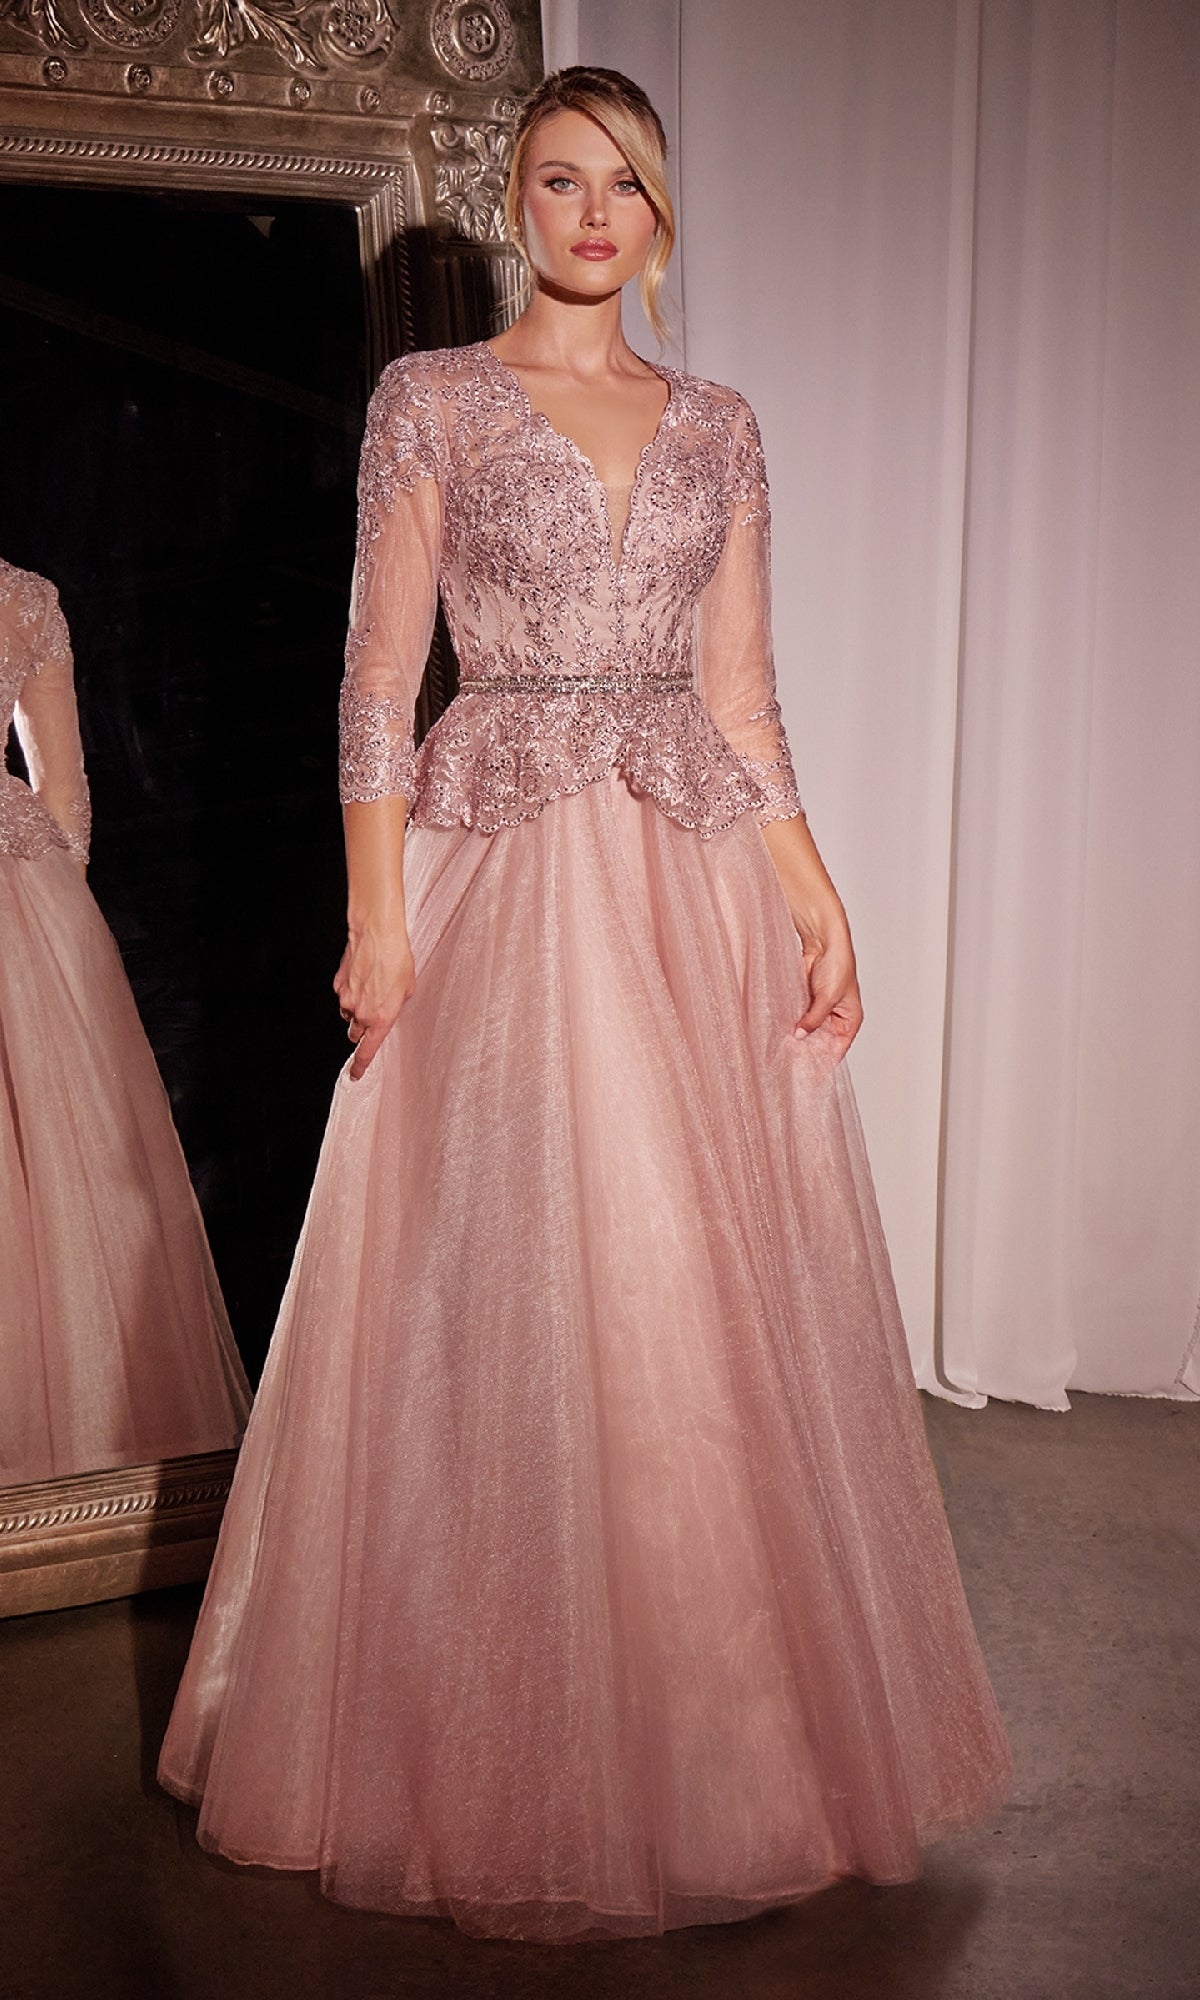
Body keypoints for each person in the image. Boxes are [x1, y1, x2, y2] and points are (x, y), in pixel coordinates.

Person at [158, 67, 1010, 1941]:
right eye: (560, 178)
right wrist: (379, 918)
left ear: (659, 211)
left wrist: (818, 896)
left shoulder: (717, 422)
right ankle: (487, 1739)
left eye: (623, 181)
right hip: (505, 878)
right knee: (501, 1291)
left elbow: (745, 700)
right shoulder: (436, 400)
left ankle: (720, 1744)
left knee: (694, 1298)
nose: (592, 212)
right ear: (521, 203)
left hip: (684, 883)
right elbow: (378, 687)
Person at [0, 556, 249, 1486]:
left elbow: (65, 794)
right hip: (23, 903)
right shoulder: (23, 598)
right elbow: (65, 802)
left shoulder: (28, 599)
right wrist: (58, 946)